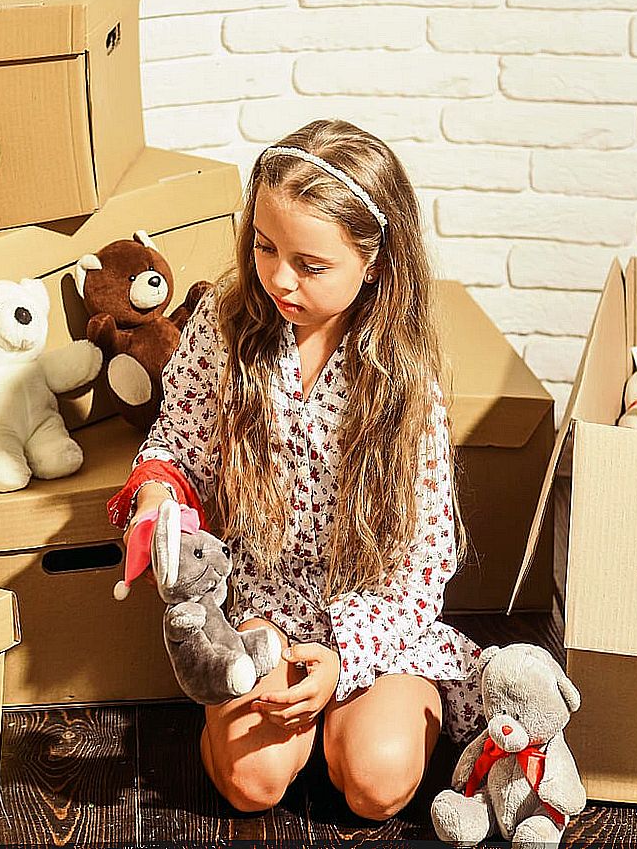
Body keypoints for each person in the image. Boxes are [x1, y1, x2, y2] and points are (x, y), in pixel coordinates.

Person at [107, 119, 484, 820]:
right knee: (252, 783)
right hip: (264, 608)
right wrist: (158, 494)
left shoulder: (405, 378)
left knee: (377, 783)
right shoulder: (222, 328)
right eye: (264, 246)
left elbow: (427, 555)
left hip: (374, 617)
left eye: (311, 265)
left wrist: (349, 657)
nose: (279, 276)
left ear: (373, 262)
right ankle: (281, 724)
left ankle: (361, 717)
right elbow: (176, 443)